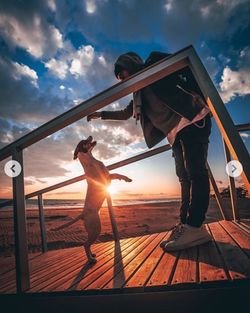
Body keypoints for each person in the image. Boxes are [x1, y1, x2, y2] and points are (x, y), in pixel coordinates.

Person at [87, 51, 212, 251]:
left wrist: (200, 98)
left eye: (123, 75)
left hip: (192, 119)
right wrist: (100, 114)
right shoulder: (138, 93)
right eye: (119, 79)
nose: (122, 81)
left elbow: (186, 67)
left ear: (131, 66)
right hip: (176, 133)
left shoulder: (154, 63)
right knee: (184, 177)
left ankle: (195, 225)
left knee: (195, 172)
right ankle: (187, 225)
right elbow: (126, 113)